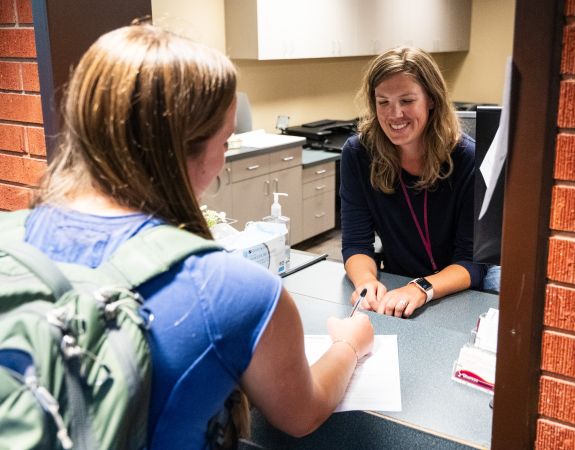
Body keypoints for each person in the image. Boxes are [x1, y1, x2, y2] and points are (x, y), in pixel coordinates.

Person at [23, 23, 373, 449]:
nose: (225, 159)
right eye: (226, 141)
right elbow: (304, 413)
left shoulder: (13, 237)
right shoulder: (234, 291)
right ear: (188, 149)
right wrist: (349, 346)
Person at [341, 47, 486, 318]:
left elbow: (471, 263)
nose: (394, 114)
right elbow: (356, 244)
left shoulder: (468, 159)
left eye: (406, 100)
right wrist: (366, 282)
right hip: (396, 287)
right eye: (383, 102)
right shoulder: (358, 154)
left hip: (455, 293)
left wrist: (420, 288)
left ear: (431, 99)